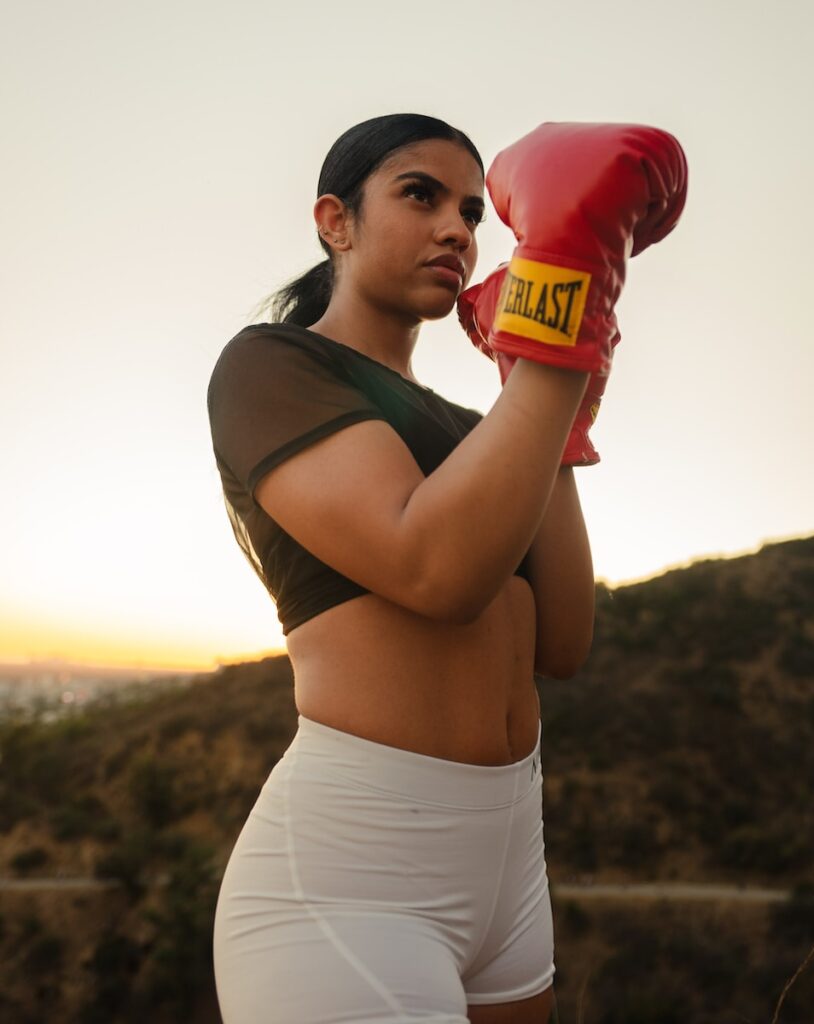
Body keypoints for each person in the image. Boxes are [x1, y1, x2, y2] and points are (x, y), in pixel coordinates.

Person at [207, 112, 687, 1024]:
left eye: (473, 211)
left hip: (509, 856)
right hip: (352, 878)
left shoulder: (481, 431)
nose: (458, 230)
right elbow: (437, 571)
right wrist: (562, 294)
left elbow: (563, 638)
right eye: (419, 195)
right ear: (334, 221)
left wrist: (544, 386)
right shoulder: (271, 365)